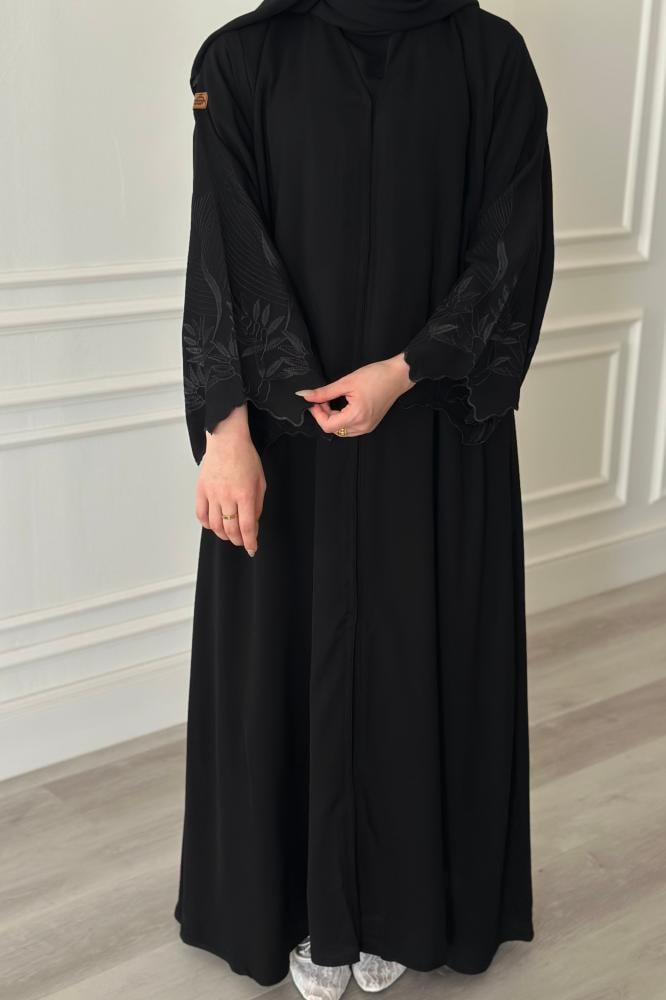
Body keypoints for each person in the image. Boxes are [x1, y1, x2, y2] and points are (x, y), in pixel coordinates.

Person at [174, 1, 554, 997]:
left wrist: (407, 369)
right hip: (283, 434)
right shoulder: (243, 58)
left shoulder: (491, 58)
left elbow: (514, 244)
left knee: (414, 654)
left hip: (431, 430)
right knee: (289, 662)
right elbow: (221, 250)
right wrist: (226, 436)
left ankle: (398, 909)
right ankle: (300, 911)